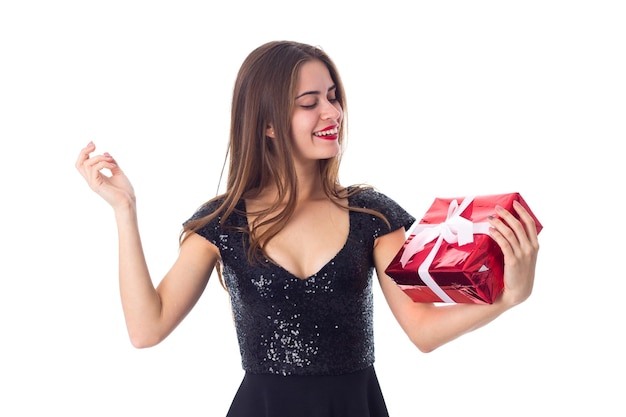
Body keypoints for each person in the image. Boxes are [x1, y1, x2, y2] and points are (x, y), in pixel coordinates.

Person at [75, 40, 540, 417]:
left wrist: (509, 296)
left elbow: (422, 330)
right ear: (269, 123)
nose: (332, 113)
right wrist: (124, 210)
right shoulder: (224, 222)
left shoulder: (372, 215)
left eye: (334, 97)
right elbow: (146, 328)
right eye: (309, 102)